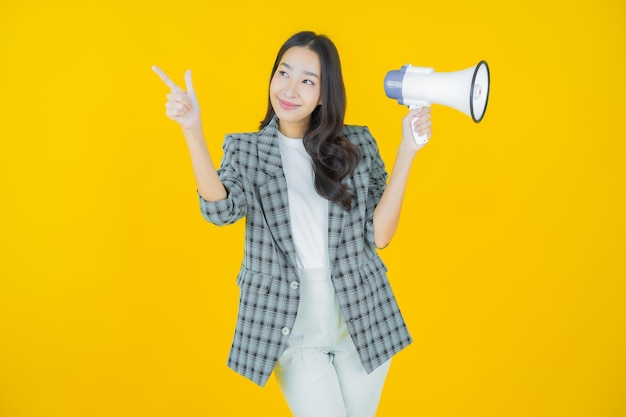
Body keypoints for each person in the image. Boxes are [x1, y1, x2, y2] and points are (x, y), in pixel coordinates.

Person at [153, 30, 431, 417]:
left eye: (307, 81)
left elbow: (380, 236)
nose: (289, 89)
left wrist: (408, 150)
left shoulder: (357, 144)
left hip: (362, 317)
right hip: (291, 323)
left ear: (324, 93)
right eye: (283, 73)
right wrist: (192, 130)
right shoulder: (247, 148)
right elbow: (220, 210)